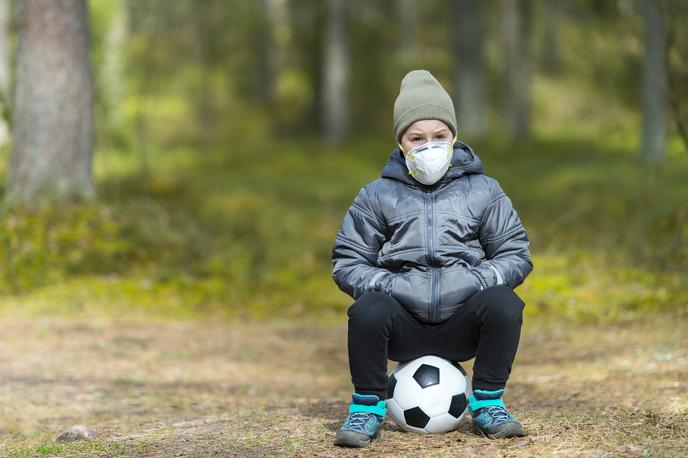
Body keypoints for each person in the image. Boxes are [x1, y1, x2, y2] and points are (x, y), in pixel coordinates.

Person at [330, 70, 534, 448]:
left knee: (504, 302)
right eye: (417, 138)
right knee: (368, 310)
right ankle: (366, 408)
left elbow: (515, 254)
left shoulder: (485, 191)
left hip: (463, 324)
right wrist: (391, 285)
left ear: (453, 137)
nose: (429, 146)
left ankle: (489, 403)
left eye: (439, 136)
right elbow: (348, 261)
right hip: (403, 325)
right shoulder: (376, 196)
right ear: (401, 143)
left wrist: (473, 280)